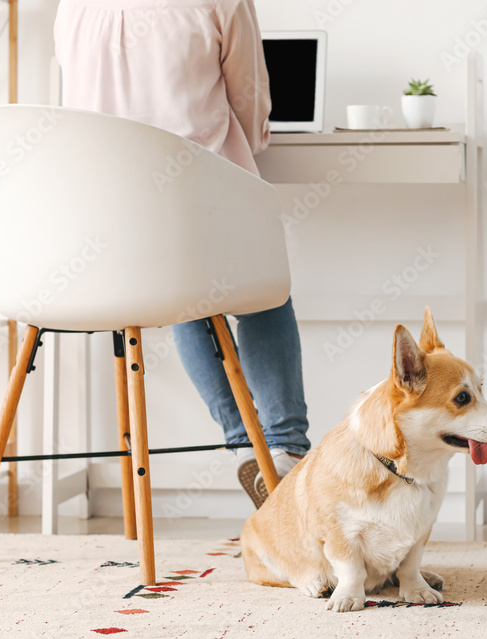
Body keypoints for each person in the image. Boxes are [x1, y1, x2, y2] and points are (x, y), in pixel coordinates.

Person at [54, 0, 310, 507]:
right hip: (198, 196)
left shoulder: (73, 8)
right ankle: (283, 448)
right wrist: (252, 139)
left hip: (107, 230)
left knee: (181, 293)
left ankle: (243, 442)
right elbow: (250, 95)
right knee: (266, 288)